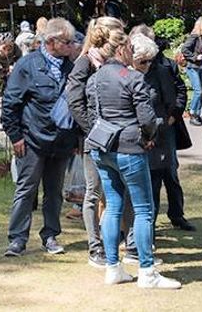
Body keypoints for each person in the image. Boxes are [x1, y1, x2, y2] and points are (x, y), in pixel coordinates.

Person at [86, 32, 181, 289]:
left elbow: (92, 113)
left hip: (102, 146)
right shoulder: (132, 78)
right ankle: (147, 271)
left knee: (113, 207)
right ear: (121, 49)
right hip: (129, 147)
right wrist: (148, 137)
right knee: (143, 209)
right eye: (129, 46)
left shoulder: (95, 77)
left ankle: (113, 267)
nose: (132, 51)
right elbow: (147, 118)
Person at [1, 18, 77, 258]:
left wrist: (76, 140)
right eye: (67, 42)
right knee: (26, 190)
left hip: (61, 141)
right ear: (52, 42)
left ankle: (50, 235)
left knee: (54, 192)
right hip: (32, 140)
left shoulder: (72, 68)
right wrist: (16, 137)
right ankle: (17, 239)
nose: (71, 45)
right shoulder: (28, 65)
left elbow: (78, 104)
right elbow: (10, 104)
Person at [65, 17, 125, 268]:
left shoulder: (114, 61)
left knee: (116, 191)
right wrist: (93, 130)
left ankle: (118, 237)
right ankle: (95, 246)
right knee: (93, 193)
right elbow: (74, 100)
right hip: (94, 138)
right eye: (118, 32)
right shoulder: (84, 62)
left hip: (117, 137)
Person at [130, 24, 195, 233]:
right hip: (144, 131)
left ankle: (177, 214)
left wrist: (174, 115)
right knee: (152, 179)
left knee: (171, 174)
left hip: (165, 129)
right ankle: (148, 224)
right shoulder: (129, 71)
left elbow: (179, 91)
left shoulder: (165, 66)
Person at [180, 17, 202, 125]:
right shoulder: (194, 37)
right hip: (193, 67)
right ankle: (192, 113)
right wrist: (195, 57)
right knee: (198, 91)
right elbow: (184, 49)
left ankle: (197, 115)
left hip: (200, 67)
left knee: (201, 92)